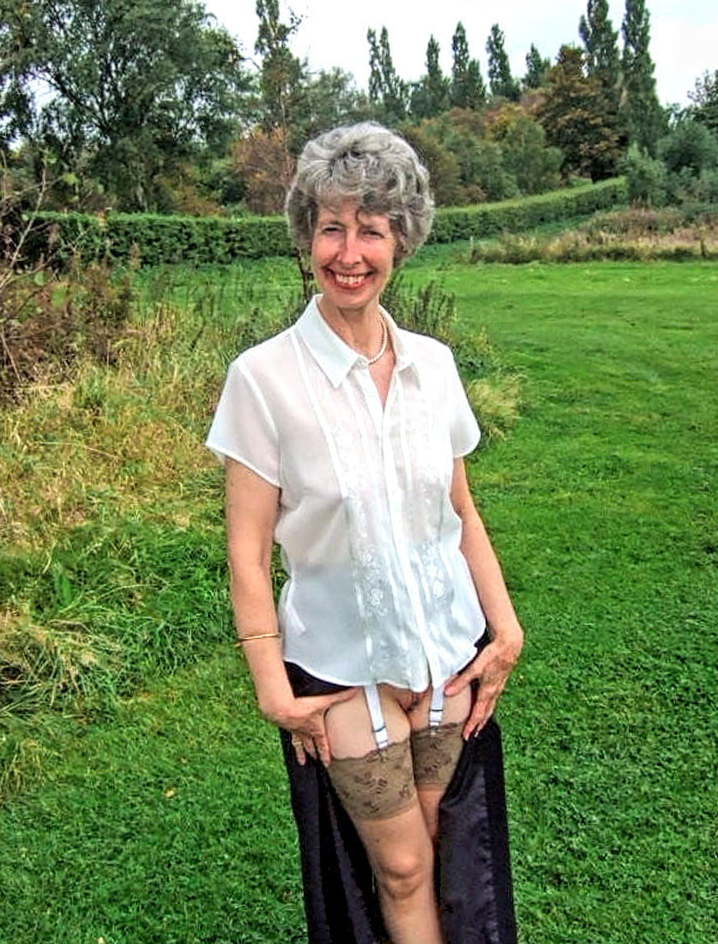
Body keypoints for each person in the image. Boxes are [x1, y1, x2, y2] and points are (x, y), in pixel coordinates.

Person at [205, 122, 524, 944]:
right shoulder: (262, 380)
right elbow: (246, 551)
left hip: (446, 656)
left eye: (371, 230)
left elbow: (461, 511)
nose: (349, 253)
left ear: (401, 241)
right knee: (401, 867)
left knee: (448, 858)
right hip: (345, 674)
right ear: (306, 236)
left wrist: (506, 628)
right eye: (331, 227)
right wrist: (271, 685)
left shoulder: (433, 366)